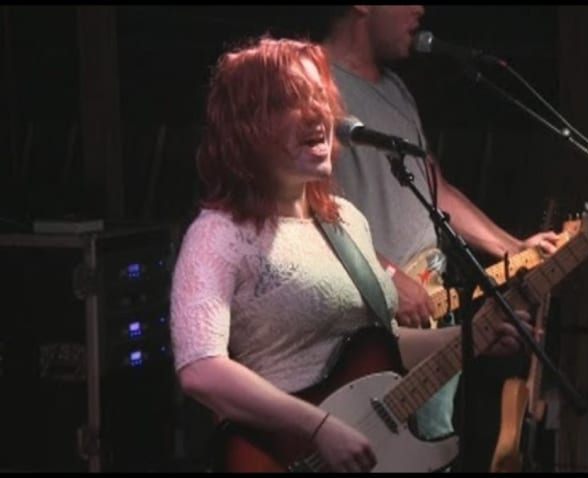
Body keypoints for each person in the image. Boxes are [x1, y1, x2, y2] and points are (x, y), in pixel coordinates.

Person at [169, 36, 531, 473]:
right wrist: (318, 426)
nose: (319, 114)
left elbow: (382, 349)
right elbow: (200, 370)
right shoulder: (219, 235)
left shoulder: (345, 221)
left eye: (321, 98)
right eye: (294, 102)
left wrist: (471, 337)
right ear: (248, 126)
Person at [319, 5, 560, 447]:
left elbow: (436, 188)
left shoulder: (396, 91)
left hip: (431, 304)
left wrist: (514, 248)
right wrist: (387, 275)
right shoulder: (312, 82)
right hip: (365, 326)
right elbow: (308, 208)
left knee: (432, 447)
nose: (420, 10)